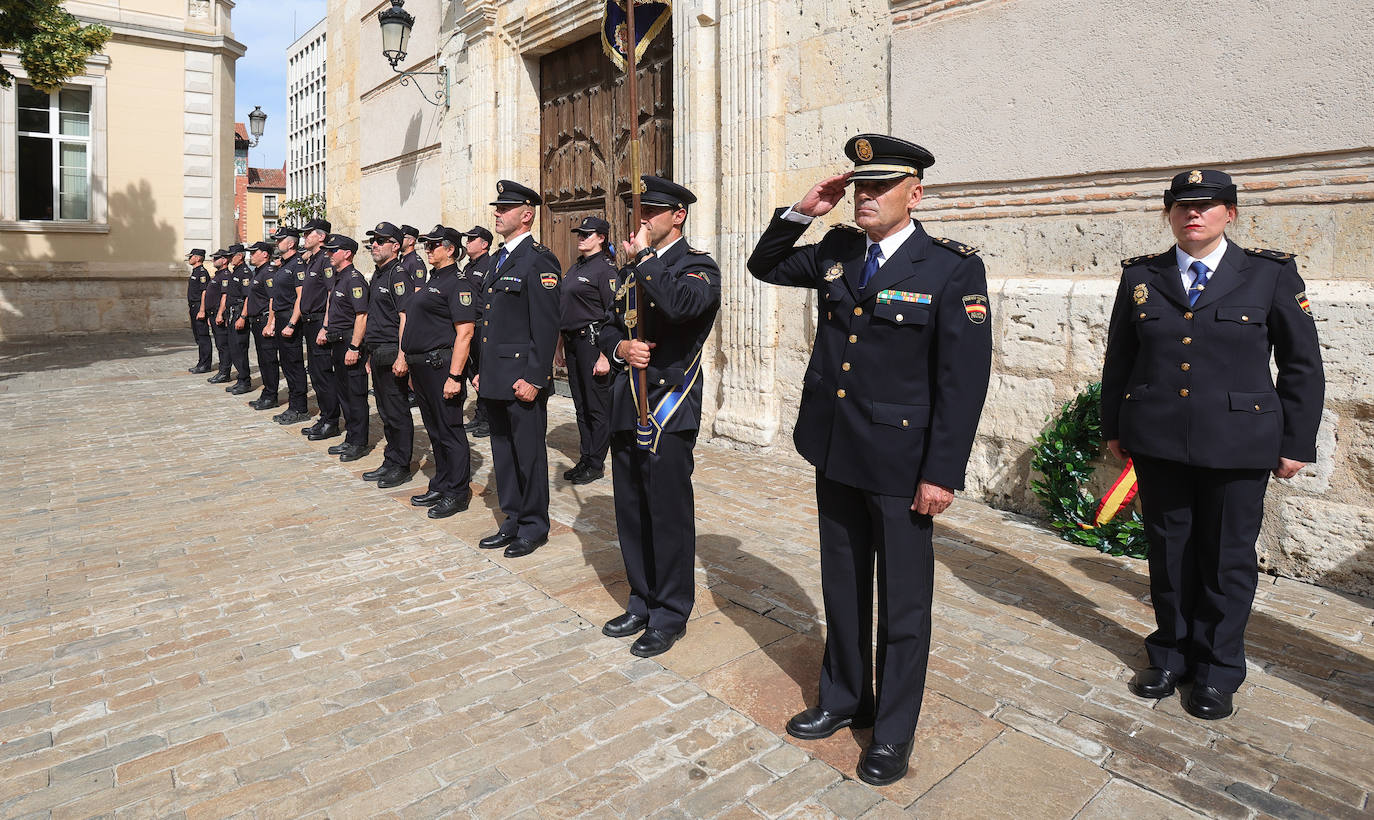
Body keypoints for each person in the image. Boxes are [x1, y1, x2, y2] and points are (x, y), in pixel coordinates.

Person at [747, 134, 992, 786]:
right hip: (835, 447)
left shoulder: (950, 268)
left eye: (879, 186)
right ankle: (842, 697)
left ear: (915, 194)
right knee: (844, 585)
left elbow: (962, 381)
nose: (864, 196)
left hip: (904, 462)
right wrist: (803, 209)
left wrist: (943, 471)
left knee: (905, 607)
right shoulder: (836, 249)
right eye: (858, 185)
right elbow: (764, 265)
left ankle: (892, 732)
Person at [1101, 169, 1325, 721]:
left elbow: (1301, 365)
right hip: (1158, 441)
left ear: (1230, 213)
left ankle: (1218, 669)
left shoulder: (1268, 274)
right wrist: (1115, 428)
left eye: (1205, 205)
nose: (1191, 214)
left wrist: (1296, 440)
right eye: (1180, 206)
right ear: (1168, 214)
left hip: (1239, 443)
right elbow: (1119, 360)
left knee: (1226, 560)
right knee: (1169, 553)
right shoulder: (1143, 276)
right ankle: (1171, 654)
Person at [595, 175, 721, 659]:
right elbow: (607, 325)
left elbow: (680, 305)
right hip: (629, 403)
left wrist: (645, 258)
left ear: (678, 216)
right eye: (640, 212)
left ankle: (670, 613)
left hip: (669, 408)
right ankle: (642, 600)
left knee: (667, 516)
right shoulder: (630, 272)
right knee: (630, 511)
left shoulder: (698, 267)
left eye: (652, 212)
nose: (642, 220)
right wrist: (619, 345)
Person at [475, 181, 561, 559]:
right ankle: (512, 517)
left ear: (526, 215)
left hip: (522, 377)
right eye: (497, 207)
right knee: (503, 452)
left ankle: (533, 525)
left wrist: (536, 378)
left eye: (504, 208)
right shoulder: (498, 259)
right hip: (495, 375)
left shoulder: (539, 260)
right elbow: (488, 321)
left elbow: (546, 326)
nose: (497, 212)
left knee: (528, 454)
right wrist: (480, 370)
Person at [399, 225, 478, 518]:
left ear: (451, 250)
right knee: (435, 431)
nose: (428, 249)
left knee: (450, 430)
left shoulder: (458, 283)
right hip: (423, 368)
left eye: (434, 245)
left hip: (441, 366)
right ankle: (442, 483)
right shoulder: (435, 279)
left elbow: (466, 332)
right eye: (427, 245)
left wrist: (455, 376)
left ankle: (457, 492)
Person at [555, 216, 616, 484]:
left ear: (601, 238)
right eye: (580, 234)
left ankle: (595, 462)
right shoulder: (577, 266)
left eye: (587, 234)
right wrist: (559, 345)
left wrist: (605, 355)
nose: (581, 237)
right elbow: (565, 309)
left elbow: (614, 314)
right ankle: (585, 456)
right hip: (572, 342)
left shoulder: (605, 270)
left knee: (596, 406)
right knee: (580, 405)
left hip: (593, 343)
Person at [360, 222, 416, 488]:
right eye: (374, 240)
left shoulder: (399, 274)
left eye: (381, 241)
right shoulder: (379, 273)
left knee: (397, 411)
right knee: (384, 410)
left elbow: (406, 316)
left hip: (393, 351)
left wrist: (403, 355)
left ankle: (401, 464)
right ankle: (391, 459)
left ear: (396, 246)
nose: (375, 245)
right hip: (377, 351)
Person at [318, 235, 371, 462]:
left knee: (355, 394)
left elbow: (362, 315)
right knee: (344, 392)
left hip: (350, 342)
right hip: (338, 342)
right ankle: (351, 437)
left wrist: (354, 347)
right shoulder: (341, 278)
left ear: (347, 253)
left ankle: (359, 441)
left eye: (333, 251)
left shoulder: (355, 279)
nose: (329, 254)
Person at [290, 219, 341, 441]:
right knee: (316, 373)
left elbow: (331, 294)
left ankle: (331, 421)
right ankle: (324, 416)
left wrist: (326, 326)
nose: (304, 237)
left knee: (323, 373)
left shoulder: (325, 261)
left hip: (320, 321)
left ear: (321, 236)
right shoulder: (312, 260)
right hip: (309, 322)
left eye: (308, 233)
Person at [266, 227, 312, 425]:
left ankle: (300, 408)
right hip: (282, 318)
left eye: (280, 240)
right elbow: (278, 296)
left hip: (290, 319)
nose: (277, 243)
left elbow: (301, 297)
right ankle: (293, 406)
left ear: (291, 243)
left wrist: (292, 323)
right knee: (286, 364)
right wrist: (274, 319)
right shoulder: (283, 265)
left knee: (294, 365)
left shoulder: (297, 265)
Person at [459, 225, 495, 437]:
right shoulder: (468, 267)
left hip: (482, 325)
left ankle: (490, 419)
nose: (468, 242)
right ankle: (480, 415)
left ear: (484, 244)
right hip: (469, 325)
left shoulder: (489, 265)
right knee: (476, 374)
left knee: (486, 374)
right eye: (468, 238)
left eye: (473, 239)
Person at [244, 241, 280, 410]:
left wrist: (270, 323)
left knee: (269, 360)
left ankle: (271, 396)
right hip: (256, 321)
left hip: (264, 321)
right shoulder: (258, 272)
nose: (250, 255)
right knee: (262, 360)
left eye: (254, 252)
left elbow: (273, 299)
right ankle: (267, 393)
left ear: (265, 254)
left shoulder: (269, 272)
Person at [205, 249, 232, 384]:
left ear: (224, 260)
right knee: (219, 344)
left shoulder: (226, 275)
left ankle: (224, 372)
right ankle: (222, 370)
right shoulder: (218, 275)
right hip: (213, 314)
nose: (213, 260)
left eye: (216, 258)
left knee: (223, 345)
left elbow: (225, 296)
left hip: (218, 314)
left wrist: (220, 314)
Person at [185, 248, 214, 373]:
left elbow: (204, 292)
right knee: (198, 336)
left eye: (191, 256)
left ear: (197, 258)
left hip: (198, 306)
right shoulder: (195, 271)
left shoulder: (202, 272)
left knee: (203, 336)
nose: (189, 259)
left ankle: (205, 364)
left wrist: (202, 310)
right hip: (193, 307)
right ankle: (201, 362)